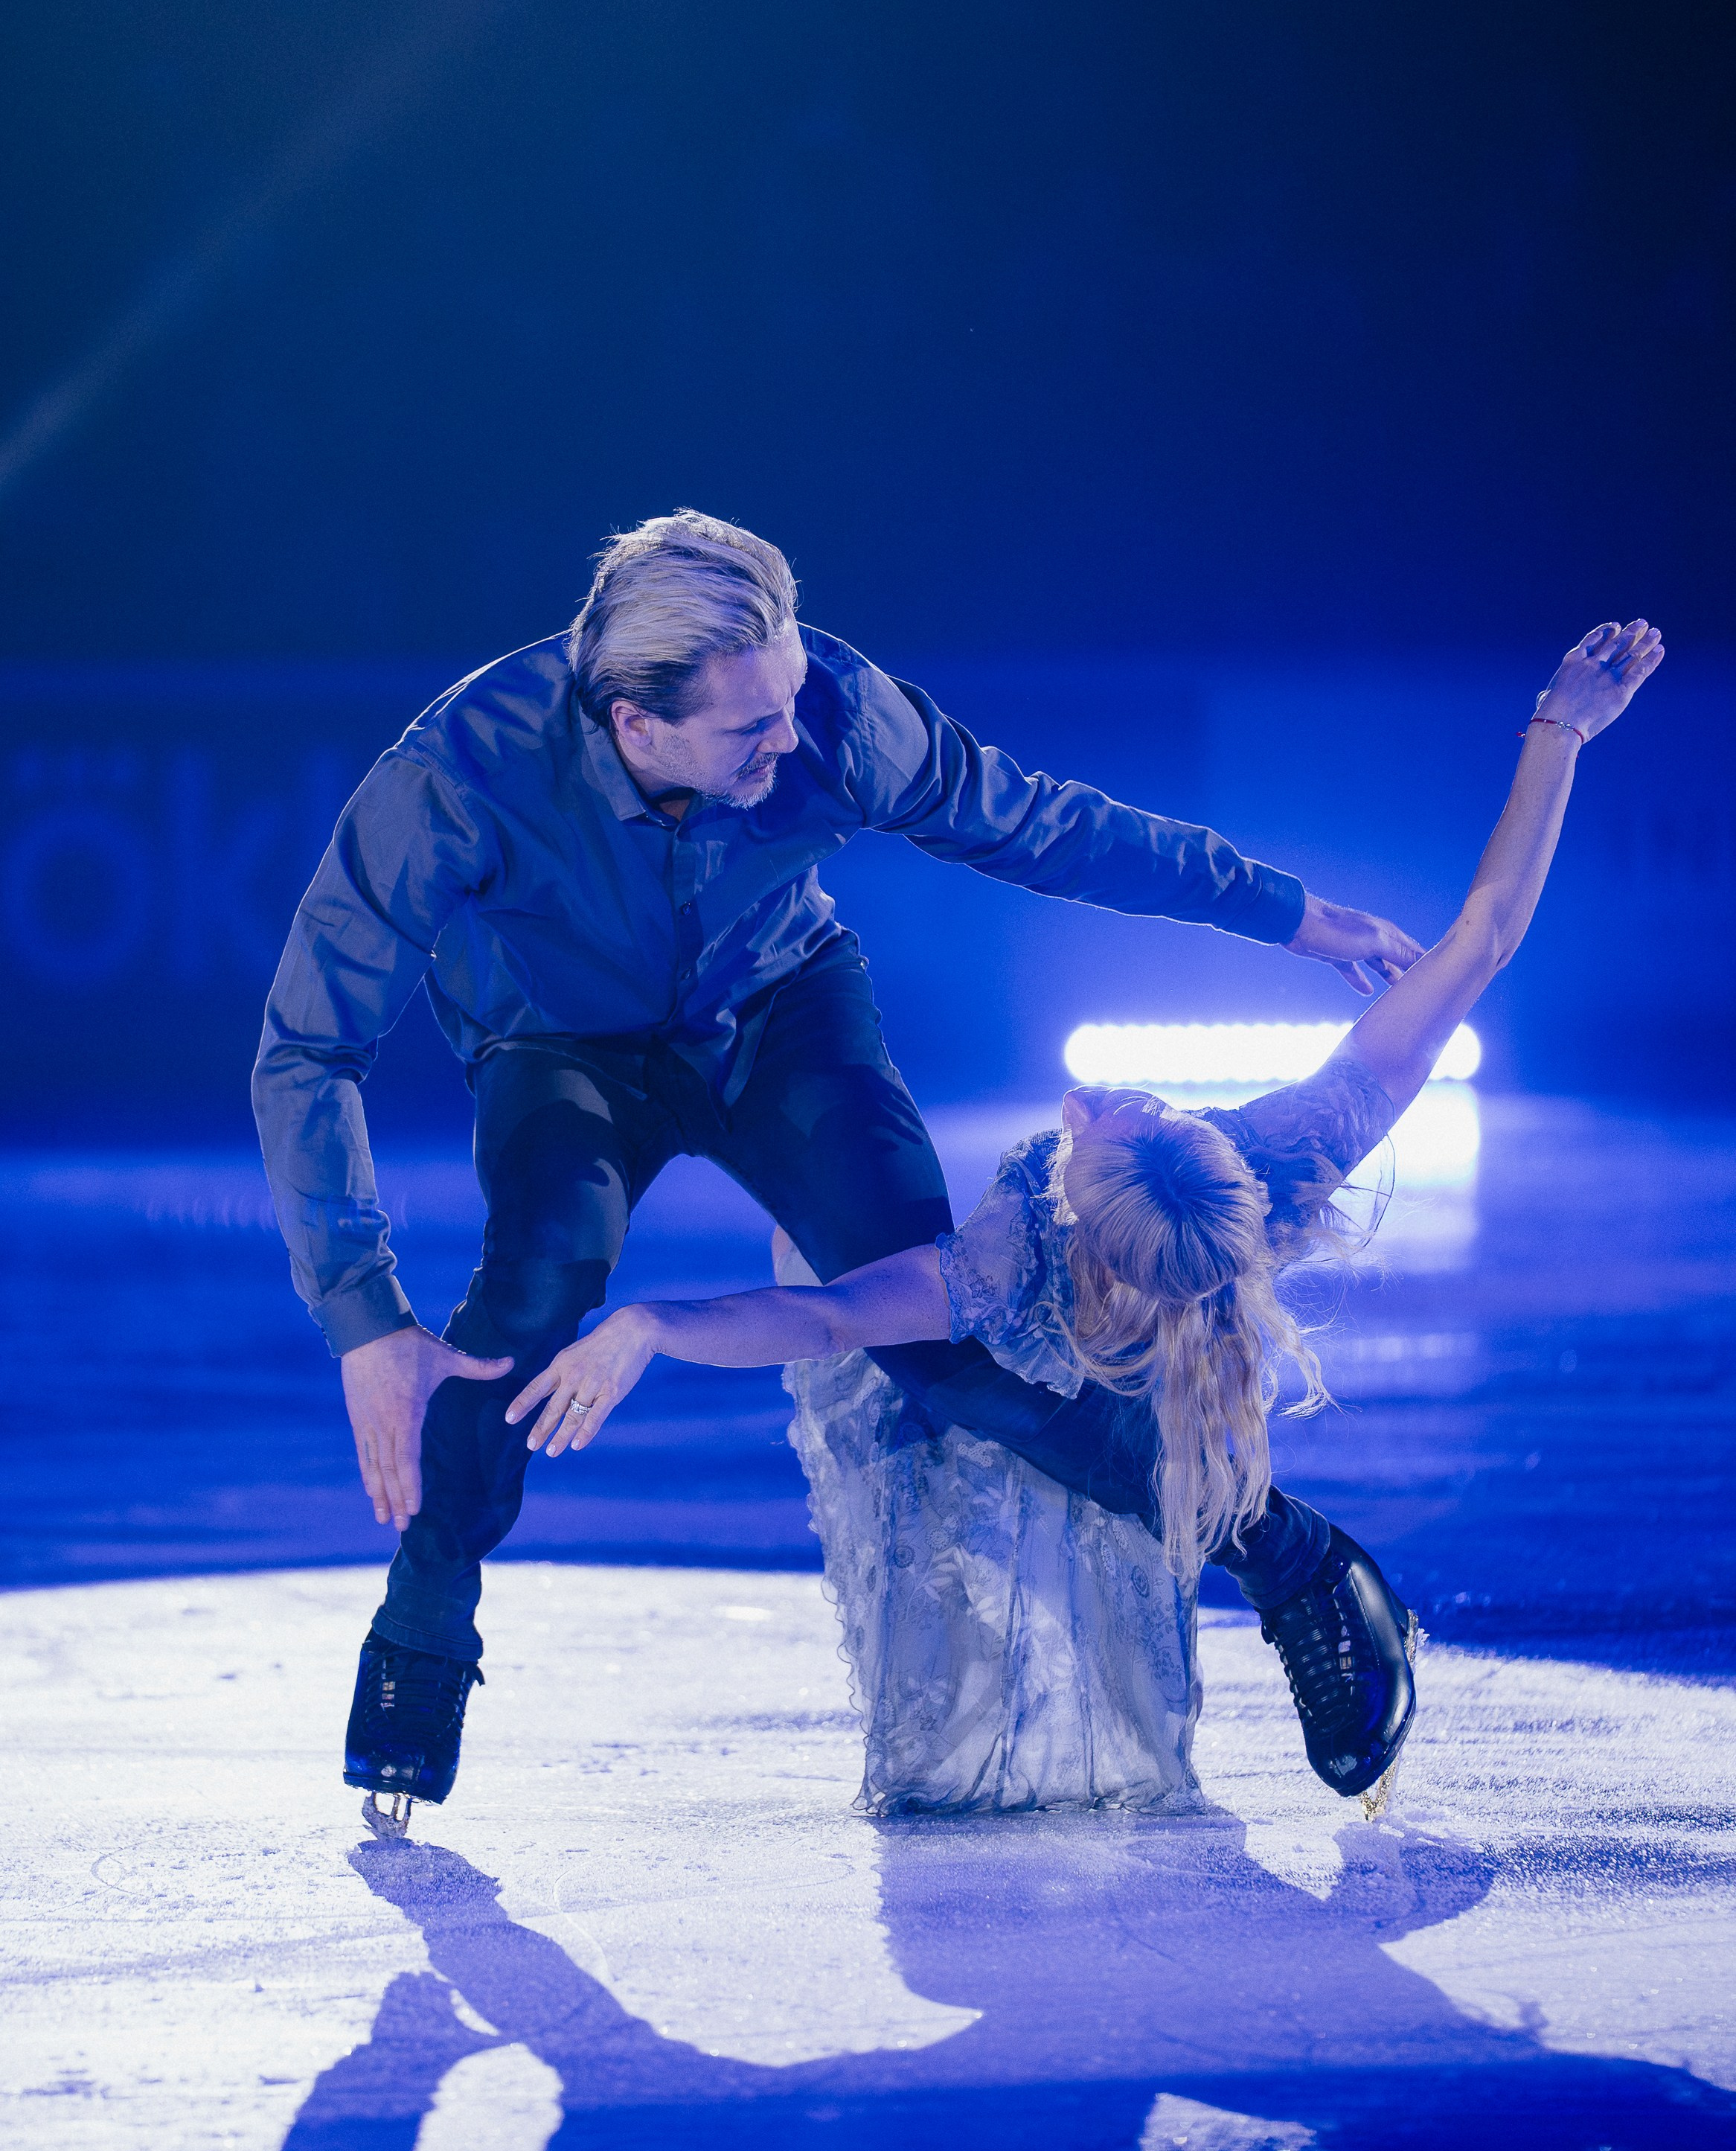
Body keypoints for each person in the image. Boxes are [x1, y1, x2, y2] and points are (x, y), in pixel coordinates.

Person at [253, 511, 1423, 1815]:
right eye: (749, 727)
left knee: (937, 1347)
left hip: (782, 1017)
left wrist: (1284, 912)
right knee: (526, 1301)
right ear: (636, 724)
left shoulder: (834, 712)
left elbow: (1042, 825)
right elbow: (306, 1049)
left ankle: (1291, 1556)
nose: (788, 739)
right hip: (558, 1047)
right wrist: (364, 1317)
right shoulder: (456, 777)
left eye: (793, 696)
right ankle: (423, 1629)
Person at [509, 619, 1664, 1817]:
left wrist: (653, 1323)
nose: (1103, 1099)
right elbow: (1481, 940)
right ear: (1208, 1139)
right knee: (970, 1418)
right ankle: (1280, 1552)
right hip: (1093, 1385)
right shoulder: (1287, 1146)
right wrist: (1559, 731)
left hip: (1107, 1394)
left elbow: (826, 1315)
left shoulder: (1012, 1253)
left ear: (1075, 1210)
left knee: (944, 1395)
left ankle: (1267, 1549)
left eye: (1100, 1128)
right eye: (1142, 1106)